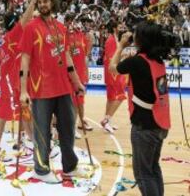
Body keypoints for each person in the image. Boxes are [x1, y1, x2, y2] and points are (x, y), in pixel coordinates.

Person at [20, 0, 85, 183]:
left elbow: (66, 56)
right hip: (41, 89)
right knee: (42, 132)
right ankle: (41, 170)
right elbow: (25, 58)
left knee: (67, 129)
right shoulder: (31, 27)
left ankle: (70, 166)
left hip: (64, 87)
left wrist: (77, 82)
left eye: (45, 1)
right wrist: (23, 90)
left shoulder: (61, 27)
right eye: (39, 2)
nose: (42, 5)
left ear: (52, 3)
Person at [109, 21, 171, 196]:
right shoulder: (158, 60)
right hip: (160, 123)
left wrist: (120, 46)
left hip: (145, 126)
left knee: (143, 174)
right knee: (153, 168)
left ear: (142, 39)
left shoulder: (136, 62)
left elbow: (112, 68)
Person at [0, 0, 37, 162]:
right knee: (3, 116)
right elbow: (27, 16)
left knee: (25, 111)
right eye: (17, 22)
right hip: (9, 83)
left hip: (12, 80)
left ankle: (31, 144)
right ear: (14, 24)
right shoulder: (12, 35)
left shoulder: (6, 39)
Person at [65, 14, 94, 139]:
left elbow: (85, 55)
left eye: (75, 21)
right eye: (70, 21)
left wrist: (90, 41)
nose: (74, 24)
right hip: (71, 75)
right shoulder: (65, 36)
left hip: (81, 74)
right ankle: (71, 127)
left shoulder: (81, 35)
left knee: (80, 101)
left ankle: (80, 122)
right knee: (73, 103)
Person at [100, 19, 127, 134]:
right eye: (120, 26)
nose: (122, 27)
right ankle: (107, 120)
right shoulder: (111, 40)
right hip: (113, 74)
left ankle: (106, 121)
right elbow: (112, 59)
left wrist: (123, 55)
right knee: (120, 97)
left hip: (112, 73)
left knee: (111, 98)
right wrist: (124, 59)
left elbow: (115, 55)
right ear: (115, 28)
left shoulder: (114, 38)